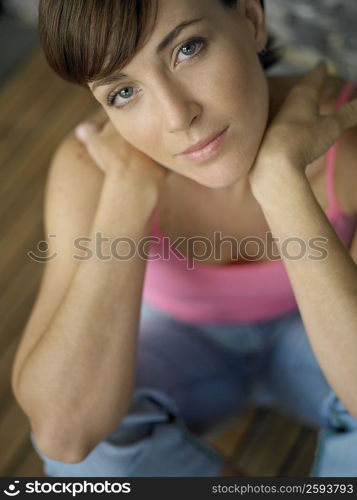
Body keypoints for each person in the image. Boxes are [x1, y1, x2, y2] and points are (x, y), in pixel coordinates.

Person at [11, 0, 357, 477]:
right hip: (184, 345)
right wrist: (126, 196)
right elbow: (63, 435)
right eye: (124, 93)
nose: (176, 116)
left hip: (320, 348)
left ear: (252, 22)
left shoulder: (347, 136)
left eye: (188, 49)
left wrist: (282, 183)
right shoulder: (93, 167)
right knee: (87, 447)